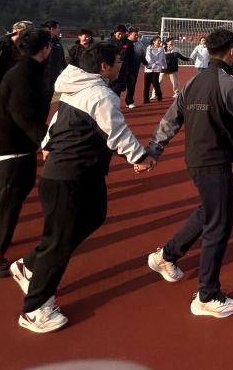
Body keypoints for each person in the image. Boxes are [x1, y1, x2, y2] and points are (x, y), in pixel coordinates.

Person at [12, 43, 155, 333]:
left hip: (83, 173)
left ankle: (29, 265)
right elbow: (116, 133)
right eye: (117, 62)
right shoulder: (100, 95)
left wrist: (46, 144)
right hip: (69, 176)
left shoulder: (79, 86)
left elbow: (57, 119)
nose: (121, 66)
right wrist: (140, 157)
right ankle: (35, 310)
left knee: (94, 215)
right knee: (59, 242)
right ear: (103, 66)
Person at [144, 30, 233, 319]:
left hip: (196, 158)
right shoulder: (229, 84)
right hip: (214, 161)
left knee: (210, 210)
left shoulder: (193, 82)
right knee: (219, 224)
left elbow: (171, 118)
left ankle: (166, 255)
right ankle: (207, 294)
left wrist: (155, 149)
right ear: (231, 51)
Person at [0, 29, 54, 278]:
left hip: (16, 144)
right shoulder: (23, 74)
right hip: (11, 145)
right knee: (8, 202)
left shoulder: (29, 70)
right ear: (44, 48)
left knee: (11, 194)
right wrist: (46, 141)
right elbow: (23, 114)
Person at [42, 21, 67, 92]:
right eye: (58, 28)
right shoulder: (42, 41)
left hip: (55, 74)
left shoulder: (57, 42)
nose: (59, 30)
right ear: (52, 29)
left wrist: (66, 71)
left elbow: (62, 58)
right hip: (44, 74)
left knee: (50, 93)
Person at [142, 36, 166, 103]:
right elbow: (148, 57)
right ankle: (146, 99)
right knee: (146, 84)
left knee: (155, 83)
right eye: (158, 41)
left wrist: (164, 66)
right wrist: (151, 65)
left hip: (157, 68)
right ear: (154, 41)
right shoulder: (149, 48)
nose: (159, 42)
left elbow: (162, 58)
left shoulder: (161, 49)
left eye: (160, 41)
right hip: (148, 68)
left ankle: (159, 96)